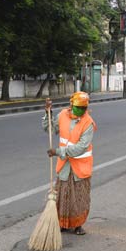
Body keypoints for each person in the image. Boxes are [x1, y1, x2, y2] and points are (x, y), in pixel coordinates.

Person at [42, 91, 97, 235]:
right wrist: (48, 112)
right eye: (79, 107)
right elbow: (50, 129)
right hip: (65, 166)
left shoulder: (88, 123)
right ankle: (63, 223)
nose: (81, 111)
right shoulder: (62, 115)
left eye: (84, 108)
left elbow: (81, 147)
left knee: (79, 198)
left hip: (80, 168)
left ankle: (78, 225)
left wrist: (58, 152)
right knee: (62, 196)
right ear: (71, 105)